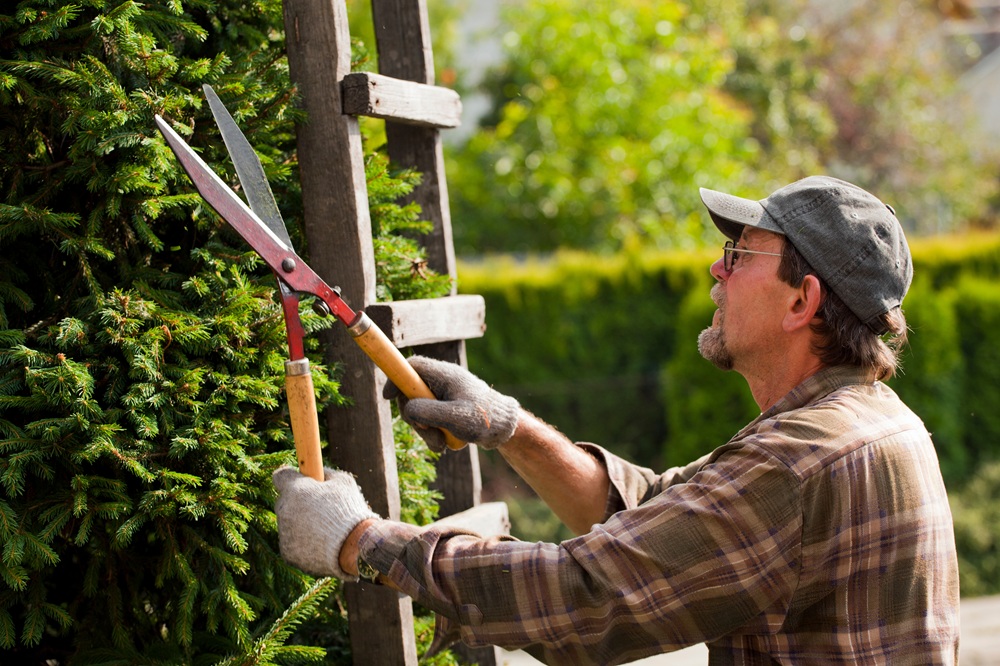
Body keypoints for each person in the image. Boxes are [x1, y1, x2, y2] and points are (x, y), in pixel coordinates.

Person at [273, 176, 960, 665]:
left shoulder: (799, 460)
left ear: (801, 300)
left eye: (741, 254)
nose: (715, 270)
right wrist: (509, 426)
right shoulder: (867, 423)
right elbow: (661, 515)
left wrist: (362, 541)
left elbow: (586, 600)